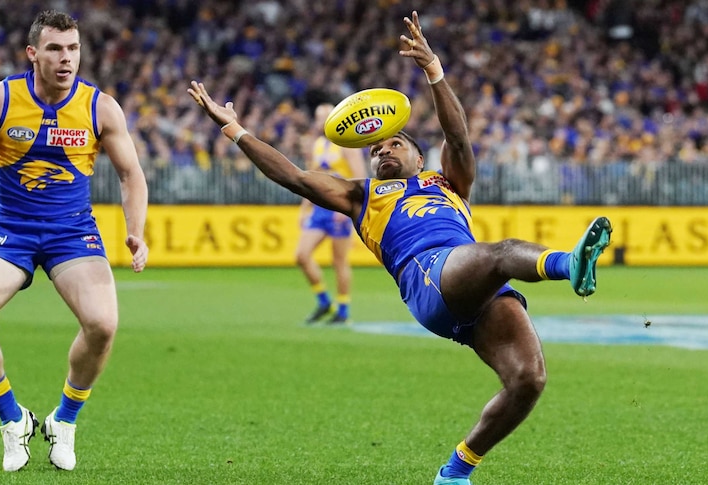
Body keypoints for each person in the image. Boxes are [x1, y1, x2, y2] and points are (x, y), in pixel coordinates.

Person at [189, 10, 611, 485]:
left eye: (395, 144)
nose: (383, 151)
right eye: (375, 150)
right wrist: (234, 129)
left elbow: (458, 134)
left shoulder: (449, 181)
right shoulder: (359, 196)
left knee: (528, 380)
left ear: (419, 157)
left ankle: (455, 471)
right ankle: (567, 264)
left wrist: (434, 71)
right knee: (502, 253)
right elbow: (293, 176)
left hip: (472, 284)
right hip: (428, 278)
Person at [0, 10, 148, 472]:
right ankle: (13, 420)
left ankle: (65, 420)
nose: (66, 58)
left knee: (103, 324)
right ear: (33, 53)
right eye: (56, 49)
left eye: (73, 48)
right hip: (8, 228)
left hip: (72, 231)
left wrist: (135, 230)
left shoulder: (101, 107)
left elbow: (130, 174)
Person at [296, 102, 366, 324]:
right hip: (320, 208)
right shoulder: (317, 144)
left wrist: (348, 210)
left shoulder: (347, 144)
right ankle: (324, 300)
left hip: (339, 209)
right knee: (301, 255)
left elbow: (359, 177)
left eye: (326, 117)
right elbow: (312, 178)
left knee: (339, 261)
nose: (322, 121)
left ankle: (343, 309)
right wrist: (304, 206)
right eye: (319, 117)